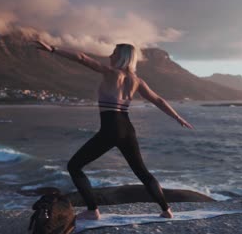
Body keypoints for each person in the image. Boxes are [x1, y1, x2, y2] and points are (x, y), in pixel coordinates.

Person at [35, 40, 194, 220]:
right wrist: (178, 118)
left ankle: (92, 210)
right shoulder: (137, 81)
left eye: (114, 53)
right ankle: (166, 210)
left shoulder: (111, 73)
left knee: (74, 166)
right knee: (142, 172)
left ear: (122, 57)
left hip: (111, 129)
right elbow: (159, 100)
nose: (110, 56)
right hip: (127, 129)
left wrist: (53, 49)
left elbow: (81, 58)